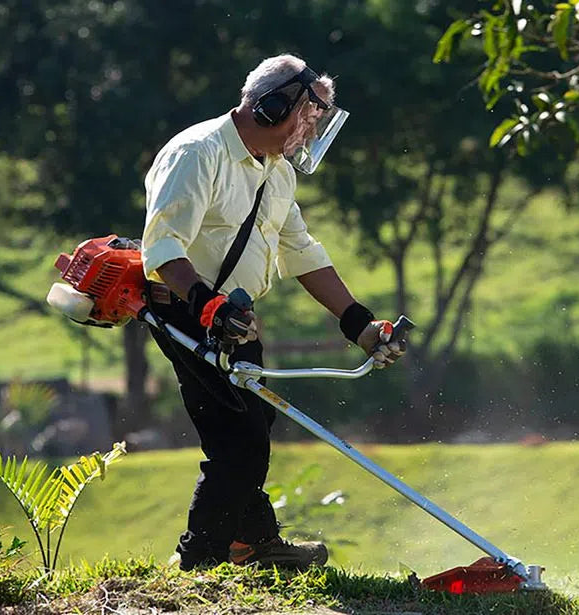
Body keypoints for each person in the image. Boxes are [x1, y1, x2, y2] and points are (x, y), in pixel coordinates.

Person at [141, 54, 406, 571]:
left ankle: (252, 541)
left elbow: (302, 250)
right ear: (272, 105)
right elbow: (163, 249)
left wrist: (361, 325)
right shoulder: (199, 154)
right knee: (237, 440)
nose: (311, 133)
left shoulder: (276, 173)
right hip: (185, 310)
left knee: (254, 423)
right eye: (309, 118)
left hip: (234, 318)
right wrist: (207, 307)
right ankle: (200, 563)